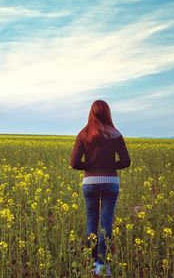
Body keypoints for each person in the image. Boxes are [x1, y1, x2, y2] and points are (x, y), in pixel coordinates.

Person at [70, 100, 131, 276]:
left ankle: (92, 262)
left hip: (89, 182)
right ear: (107, 113)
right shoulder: (116, 134)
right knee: (106, 221)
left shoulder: (83, 134)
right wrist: (110, 165)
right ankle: (103, 265)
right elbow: (126, 161)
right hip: (110, 181)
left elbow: (74, 163)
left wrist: (90, 166)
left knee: (91, 220)